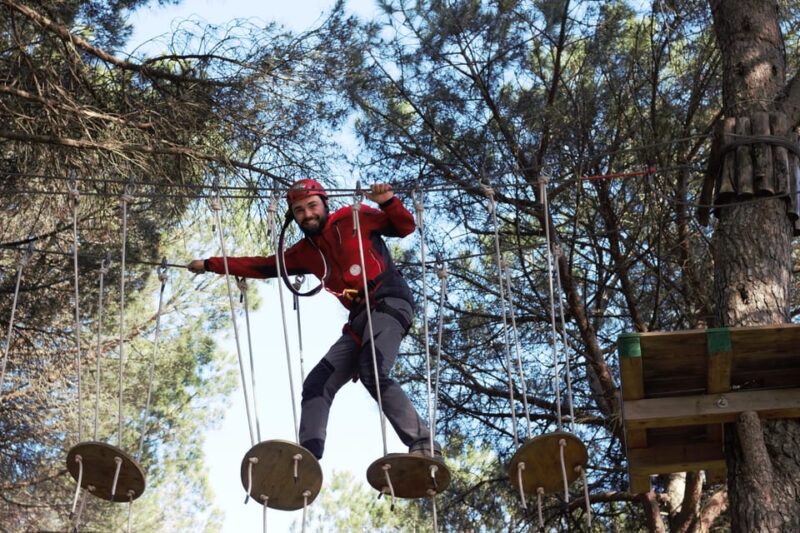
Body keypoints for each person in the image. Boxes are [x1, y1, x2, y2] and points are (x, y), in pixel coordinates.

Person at [187, 179, 441, 461]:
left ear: (324, 203)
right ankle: (307, 457)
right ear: (292, 216)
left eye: (312, 206)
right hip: (358, 319)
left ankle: (424, 445)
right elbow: (263, 265)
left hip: (388, 301)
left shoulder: (353, 217)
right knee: (317, 383)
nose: (307, 214)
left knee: (372, 371)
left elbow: (404, 227)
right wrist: (211, 264)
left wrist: (388, 201)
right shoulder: (304, 253)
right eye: (299, 211)